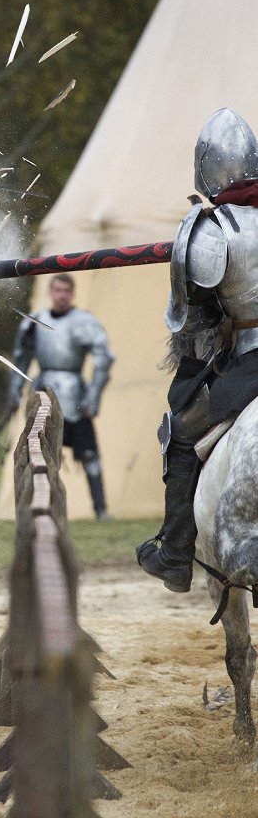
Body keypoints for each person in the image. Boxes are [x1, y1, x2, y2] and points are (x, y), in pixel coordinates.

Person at [137, 107, 258, 593]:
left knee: (183, 424)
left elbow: (189, 319)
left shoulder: (210, 228)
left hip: (249, 356)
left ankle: (175, 550)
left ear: (205, 166)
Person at [8, 273, 114, 519]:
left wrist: (93, 398)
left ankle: (101, 510)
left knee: (89, 455)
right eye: (57, 290)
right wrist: (14, 392)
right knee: (39, 455)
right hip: (43, 395)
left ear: (72, 293)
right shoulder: (35, 322)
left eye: (66, 290)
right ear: (50, 292)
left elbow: (103, 361)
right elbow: (20, 360)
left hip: (75, 396)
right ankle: (40, 508)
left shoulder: (83, 322)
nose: (62, 295)